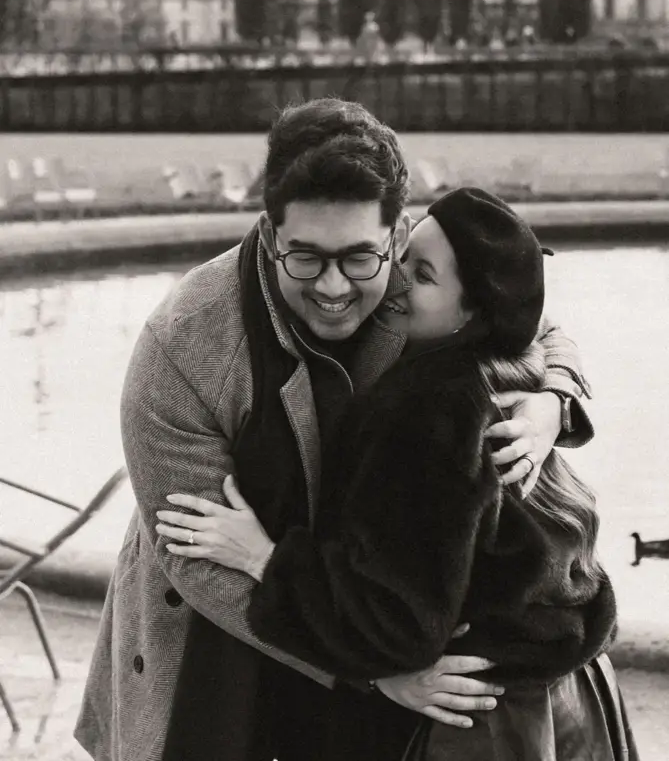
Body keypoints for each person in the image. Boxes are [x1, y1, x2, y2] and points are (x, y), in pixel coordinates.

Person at [74, 100, 592, 761]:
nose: (332, 287)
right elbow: (195, 557)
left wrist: (553, 401)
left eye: (357, 259)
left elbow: (533, 324)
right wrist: (371, 672)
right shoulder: (179, 348)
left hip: (369, 618)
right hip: (222, 642)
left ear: (397, 234)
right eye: (306, 258)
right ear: (270, 234)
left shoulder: (415, 280)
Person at [160, 187, 637, 761]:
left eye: (423, 275)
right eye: (404, 257)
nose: (395, 279)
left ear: (473, 312)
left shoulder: (427, 410)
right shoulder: (508, 373)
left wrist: (264, 558)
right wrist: (554, 399)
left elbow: (395, 627)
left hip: (474, 724)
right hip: (570, 698)